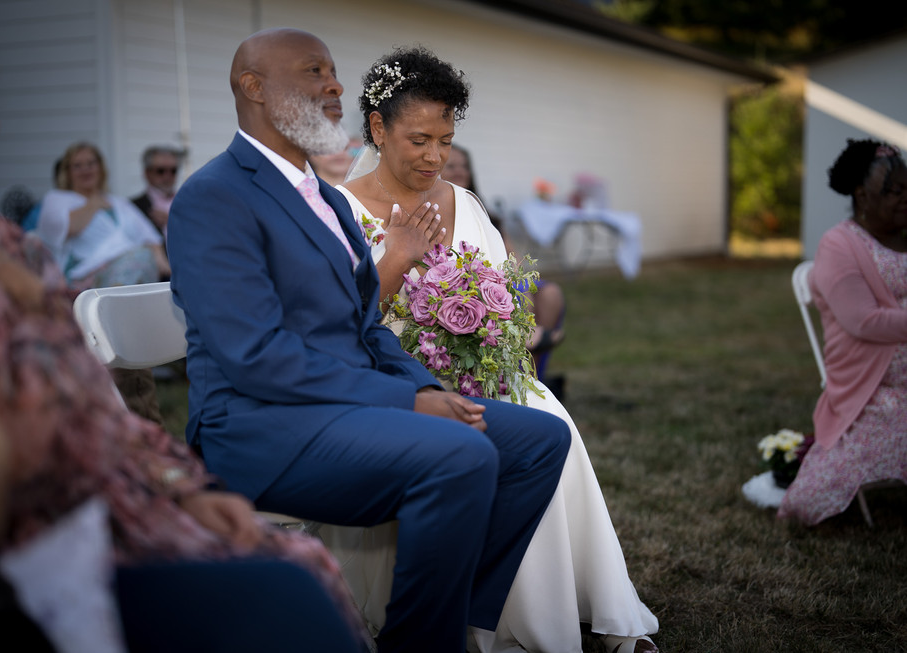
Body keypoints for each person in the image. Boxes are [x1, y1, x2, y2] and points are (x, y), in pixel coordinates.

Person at [0, 6, 367, 650]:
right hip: (34, 546)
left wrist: (185, 488)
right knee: (291, 594)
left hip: (120, 493)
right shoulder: (211, 195)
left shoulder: (9, 246)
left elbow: (96, 411)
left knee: (302, 570)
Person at [166, 28, 571, 653]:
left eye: (333, 71)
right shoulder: (213, 197)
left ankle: (437, 618)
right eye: (312, 71)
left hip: (341, 407)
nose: (334, 85)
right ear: (253, 87)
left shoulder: (323, 198)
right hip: (258, 427)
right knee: (461, 455)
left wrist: (426, 387)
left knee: (542, 439)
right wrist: (407, 405)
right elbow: (255, 356)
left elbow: (364, 325)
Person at [329, 46, 660, 653]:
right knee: (495, 432)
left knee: (547, 415)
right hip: (395, 384)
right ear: (377, 128)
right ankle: (488, 621)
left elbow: (506, 296)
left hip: (482, 371)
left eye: (446, 141)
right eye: (419, 139)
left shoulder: (463, 204)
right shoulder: (339, 212)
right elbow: (336, 327)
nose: (435, 157)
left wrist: (497, 338)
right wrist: (397, 259)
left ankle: (596, 613)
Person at [778, 138, 907, 525]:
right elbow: (863, 321)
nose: (905, 198)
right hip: (873, 392)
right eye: (894, 191)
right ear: (862, 195)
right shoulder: (839, 245)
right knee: (809, 501)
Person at [441, 143, 566, 389]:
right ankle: (522, 360)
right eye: (452, 166)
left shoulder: (487, 214)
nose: (460, 171)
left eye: (464, 166)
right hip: (470, 284)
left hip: (504, 277)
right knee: (514, 291)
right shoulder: (441, 211)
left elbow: (513, 258)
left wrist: (519, 281)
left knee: (549, 293)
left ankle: (533, 375)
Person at [34, 141, 170, 291]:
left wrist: (163, 264)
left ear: (100, 168)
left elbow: (149, 236)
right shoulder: (57, 198)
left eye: (91, 164)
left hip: (132, 268)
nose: (86, 170)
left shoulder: (117, 202)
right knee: (141, 258)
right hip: (83, 277)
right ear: (67, 171)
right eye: (78, 165)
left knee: (147, 260)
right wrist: (93, 202)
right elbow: (66, 227)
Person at [131, 144, 184, 241]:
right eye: (161, 171)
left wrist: (174, 222)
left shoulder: (187, 202)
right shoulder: (133, 207)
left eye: (173, 171)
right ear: (147, 173)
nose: (167, 176)